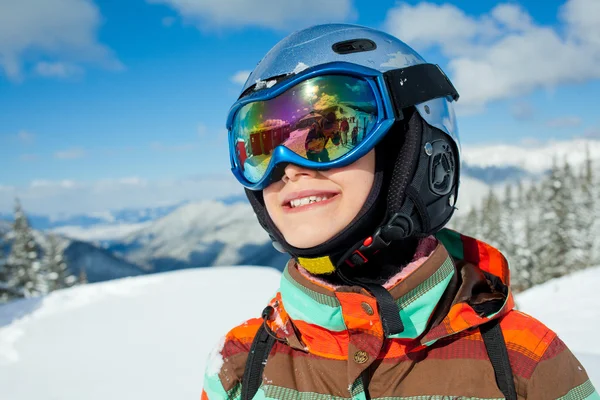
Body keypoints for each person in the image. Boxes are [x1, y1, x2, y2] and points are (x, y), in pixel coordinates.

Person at [203, 24, 597, 400]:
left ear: (407, 152)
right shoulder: (241, 362)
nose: (288, 166)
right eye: (260, 146)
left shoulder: (521, 358)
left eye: (329, 132)